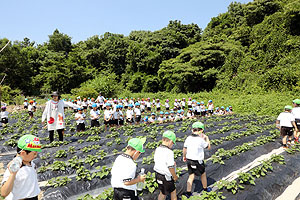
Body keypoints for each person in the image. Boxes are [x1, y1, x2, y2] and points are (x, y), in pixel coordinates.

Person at [1, 134, 41, 199]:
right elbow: (3, 193)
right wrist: (12, 174)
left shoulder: (30, 163)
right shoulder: (14, 168)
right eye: (34, 153)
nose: (35, 156)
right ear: (23, 153)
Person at [183, 122, 212, 198]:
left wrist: (184, 156)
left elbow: (184, 148)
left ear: (192, 130)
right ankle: (205, 189)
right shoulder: (200, 140)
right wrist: (207, 138)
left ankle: (188, 192)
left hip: (189, 159)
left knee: (191, 175)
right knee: (203, 174)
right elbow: (208, 147)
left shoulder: (188, 138)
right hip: (197, 160)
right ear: (201, 130)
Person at [154, 131, 178, 200]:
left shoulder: (158, 149)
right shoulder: (169, 152)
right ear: (170, 141)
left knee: (162, 192)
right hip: (166, 177)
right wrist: (175, 176)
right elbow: (170, 167)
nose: (172, 145)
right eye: (173, 143)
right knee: (173, 191)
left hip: (158, 175)